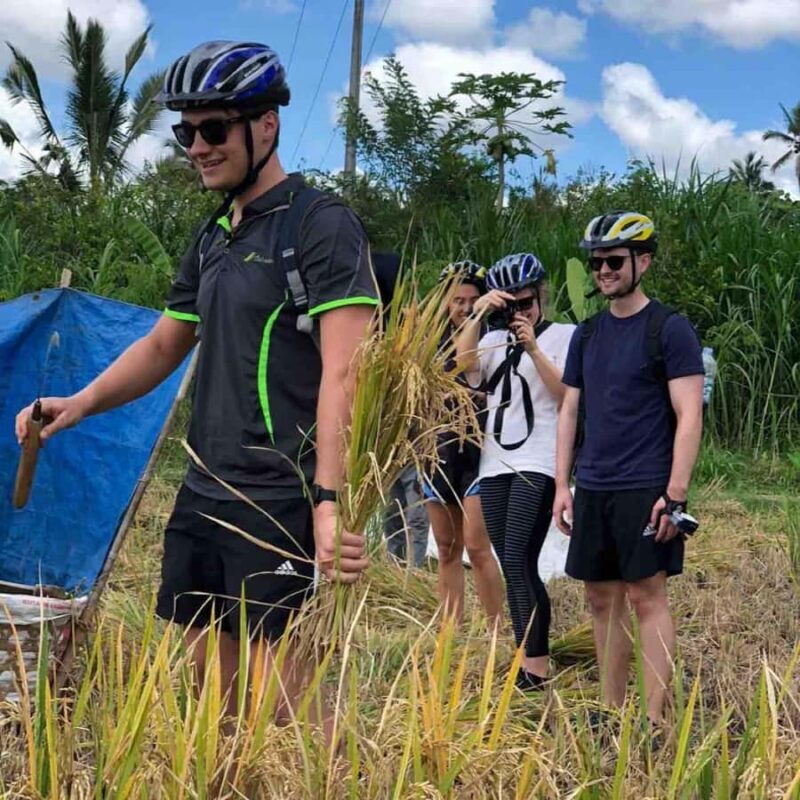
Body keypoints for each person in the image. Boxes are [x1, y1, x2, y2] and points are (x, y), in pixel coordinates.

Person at [15, 41, 379, 736]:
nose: (197, 147)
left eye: (213, 128)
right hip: (203, 489)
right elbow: (162, 344)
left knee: (281, 719)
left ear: (265, 126)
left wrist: (328, 503)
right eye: (187, 132)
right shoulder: (214, 234)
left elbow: (346, 370)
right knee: (207, 710)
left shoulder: (319, 225)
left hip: (280, 497)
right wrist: (79, 403)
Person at [553, 211, 704, 730]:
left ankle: (654, 718)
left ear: (644, 260)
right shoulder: (588, 334)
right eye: (597, 262)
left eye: (614, 261)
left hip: (646, 486)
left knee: (646, 594)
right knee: (600, 597)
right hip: (593, 484)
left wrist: (676, 494)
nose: (603, 271)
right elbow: (571, 411)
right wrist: (561, 484)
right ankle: (611, 711)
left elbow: (690, 414)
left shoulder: (670, 329)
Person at [456, 254, 575, 689]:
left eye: (526, 303)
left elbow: (565, 394)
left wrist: (532, 346)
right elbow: (462, 362)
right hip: (495, 463)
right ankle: (527, 656)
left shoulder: (564, 336)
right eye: (511, 306)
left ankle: (536, 667)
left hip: (539, 461)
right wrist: (480, 313)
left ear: (540, 295)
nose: (519, 313)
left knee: (519, 560)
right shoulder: (491, 339)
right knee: (510, 563)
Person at [425, 262, 505, 624]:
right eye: (456, 300)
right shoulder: (424, 343)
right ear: (443, 301)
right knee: (446, 548)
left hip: (479, 452)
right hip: (437, 452)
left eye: (472, 300)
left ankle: (495, 629)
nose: (465, 307)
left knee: (477, 546)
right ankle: (451, 634)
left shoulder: (493, 338)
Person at [383, 463, 429, 567]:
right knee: (392, 517)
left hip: (418, 459)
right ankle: (394, 567)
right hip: (395, 461)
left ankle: (413, 572)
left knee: (416, 520)